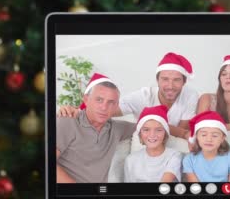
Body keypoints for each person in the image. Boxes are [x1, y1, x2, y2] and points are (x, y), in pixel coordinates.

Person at [58, 52, 199, 140]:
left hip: (172, 144)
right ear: (157, 80)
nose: (170, 86)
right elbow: (109, 109)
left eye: (176, 80)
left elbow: (182, 132)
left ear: (184, 81)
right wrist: (77, 110)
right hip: (146, 142)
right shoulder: (143, 96)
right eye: (165, 79)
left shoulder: (190, 96)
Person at [56, 73, 135, 183]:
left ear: (116, 106)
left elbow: (150, 125)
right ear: (86, 99)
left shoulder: (117, 128)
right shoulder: (67, 121)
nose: (104, 107)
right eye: (99, 100)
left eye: (111, 102)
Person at [123, 105, 182, 182]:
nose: (152, 135)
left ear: (165, 133)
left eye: (159, 130)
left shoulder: (174, 156)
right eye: (146, 130)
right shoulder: (130, 160)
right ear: (140, 133)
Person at [182, 111, 230, 182]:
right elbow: (195, 188)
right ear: (197, 137)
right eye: (204, 135)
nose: (209, 139)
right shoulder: (189, 160)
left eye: (215, 135)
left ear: (222, 138)